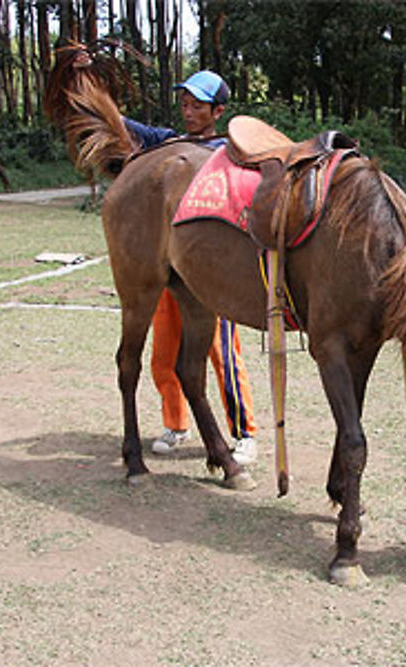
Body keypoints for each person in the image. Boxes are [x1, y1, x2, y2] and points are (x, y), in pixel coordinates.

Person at [123, 70, 258, 465]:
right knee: (165, 350)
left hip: (214, 267)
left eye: (197, 105)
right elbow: (125, 126)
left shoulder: (231, 149)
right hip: (168, 257)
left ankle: (244, 431)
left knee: (223, 354)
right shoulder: (170, 142)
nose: (188, 111)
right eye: (184, 103)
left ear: (218, 110)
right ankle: (175, 422)